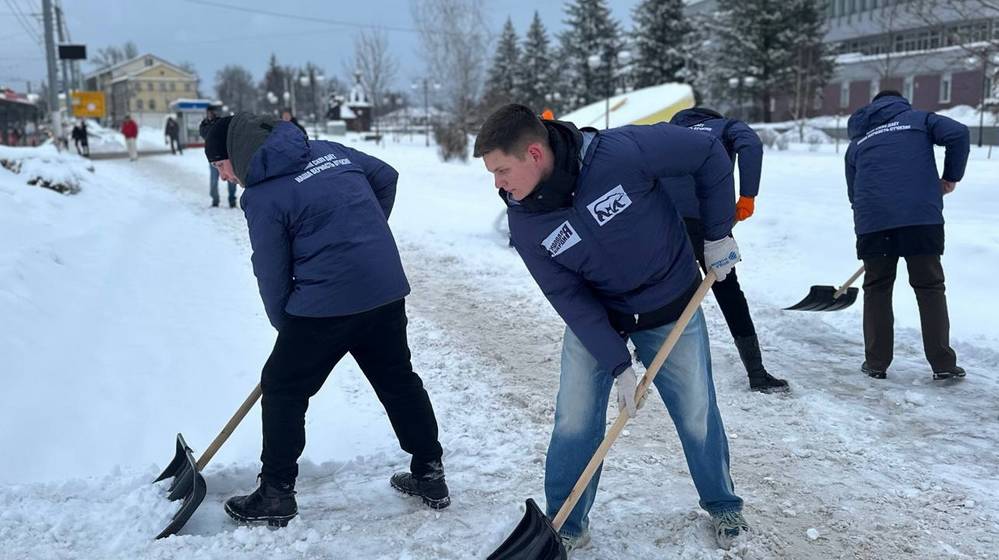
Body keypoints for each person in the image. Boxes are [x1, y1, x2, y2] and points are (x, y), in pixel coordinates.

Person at [474, 104, 748, 552]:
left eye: (502, 170)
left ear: (535, 154)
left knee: (696, 409)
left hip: (670, 302)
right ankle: (565, 521)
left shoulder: (621, 152)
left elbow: (707, 153)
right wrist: (617, 362)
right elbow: (567, 296)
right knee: (575, 417)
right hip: (599, 315)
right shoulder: (525, 221)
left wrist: (718, 233)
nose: (498, 184)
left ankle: (723, 503)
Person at [200, 112, 450, 527]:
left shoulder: (262, 196)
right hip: (383, 289)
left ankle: (276, 492)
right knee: (398, 379)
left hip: (324, 305)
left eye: (219, 166)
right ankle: (430, 473)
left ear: (236, 155)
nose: (224, 177)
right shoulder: (329, 151)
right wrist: (359, 238)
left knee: (282, 387)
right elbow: (385, 177)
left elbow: (272, 271)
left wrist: (287, 327)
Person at [845, 91, 970, 381]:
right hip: (919, 218)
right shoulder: (920, 120)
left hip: (873, 222)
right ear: (901, 103)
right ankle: (943, 364)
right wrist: (951, 177)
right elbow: (959, 133)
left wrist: (875, 217)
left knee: (877, 288)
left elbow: (854, 192)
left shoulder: (858, 142)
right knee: (929, 287)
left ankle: (876, 363)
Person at [668, 107, 788, 393]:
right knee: (728, 289)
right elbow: (751, 144)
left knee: (663, 287)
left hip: (667, 221)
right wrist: (747, 195)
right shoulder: (724, 127)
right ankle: (756, 373)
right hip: (710, 223)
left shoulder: (669, 131)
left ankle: (643, 350)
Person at [201, 107, 237, 207]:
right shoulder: (204, 124)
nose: (210, 114)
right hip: (213, 157)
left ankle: (232, 200)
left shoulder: (220, 122)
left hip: (224, 155)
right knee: (213, 180)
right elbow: (204, 135)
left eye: (212, 112)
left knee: (231, 177)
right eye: (209, 112)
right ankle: (215, 200)